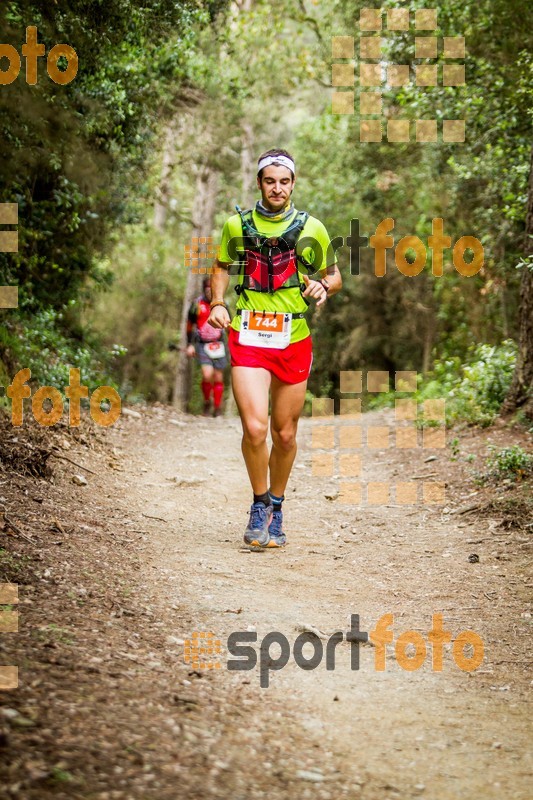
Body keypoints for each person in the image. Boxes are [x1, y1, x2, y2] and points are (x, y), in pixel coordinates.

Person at [207, 148, 342, 547]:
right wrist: (217, 303)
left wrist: (323, 285)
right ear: (260, 183)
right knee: (254, 427)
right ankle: (259, 503)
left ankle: (278, 507)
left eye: (284, 181)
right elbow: (220, 266)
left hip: (293, 338)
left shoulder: (311, 228)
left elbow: (333, 276)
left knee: (284, 434)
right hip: (248, 337)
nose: (277, 188)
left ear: (293, 184)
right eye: (270, 181)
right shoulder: (236, 225)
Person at [186, 276, 227, 417]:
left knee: (218, 377)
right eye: (208, 289)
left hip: (218, 344)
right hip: (202, 344)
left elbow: (230, 324)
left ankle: (217, 408)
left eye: (212, 289)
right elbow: (189, 325)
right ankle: (206, 402)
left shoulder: (222, 304)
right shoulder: (196, 304)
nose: (210, 291)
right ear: (204, 289)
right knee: (207, 374)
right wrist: (189, 345)